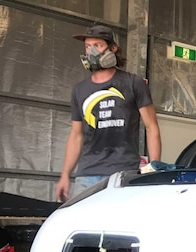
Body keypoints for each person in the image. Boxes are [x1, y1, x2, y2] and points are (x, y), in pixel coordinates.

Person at [56, 25, 161, 202]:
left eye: (97, 45)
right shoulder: (79, 90)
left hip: (123, 173)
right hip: (87, 175)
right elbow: (76, 135)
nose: (91, 51)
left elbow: (152, 128)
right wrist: (65, 174)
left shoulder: (133, 83)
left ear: (112, 49)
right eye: (88, 46)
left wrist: (155, 168)